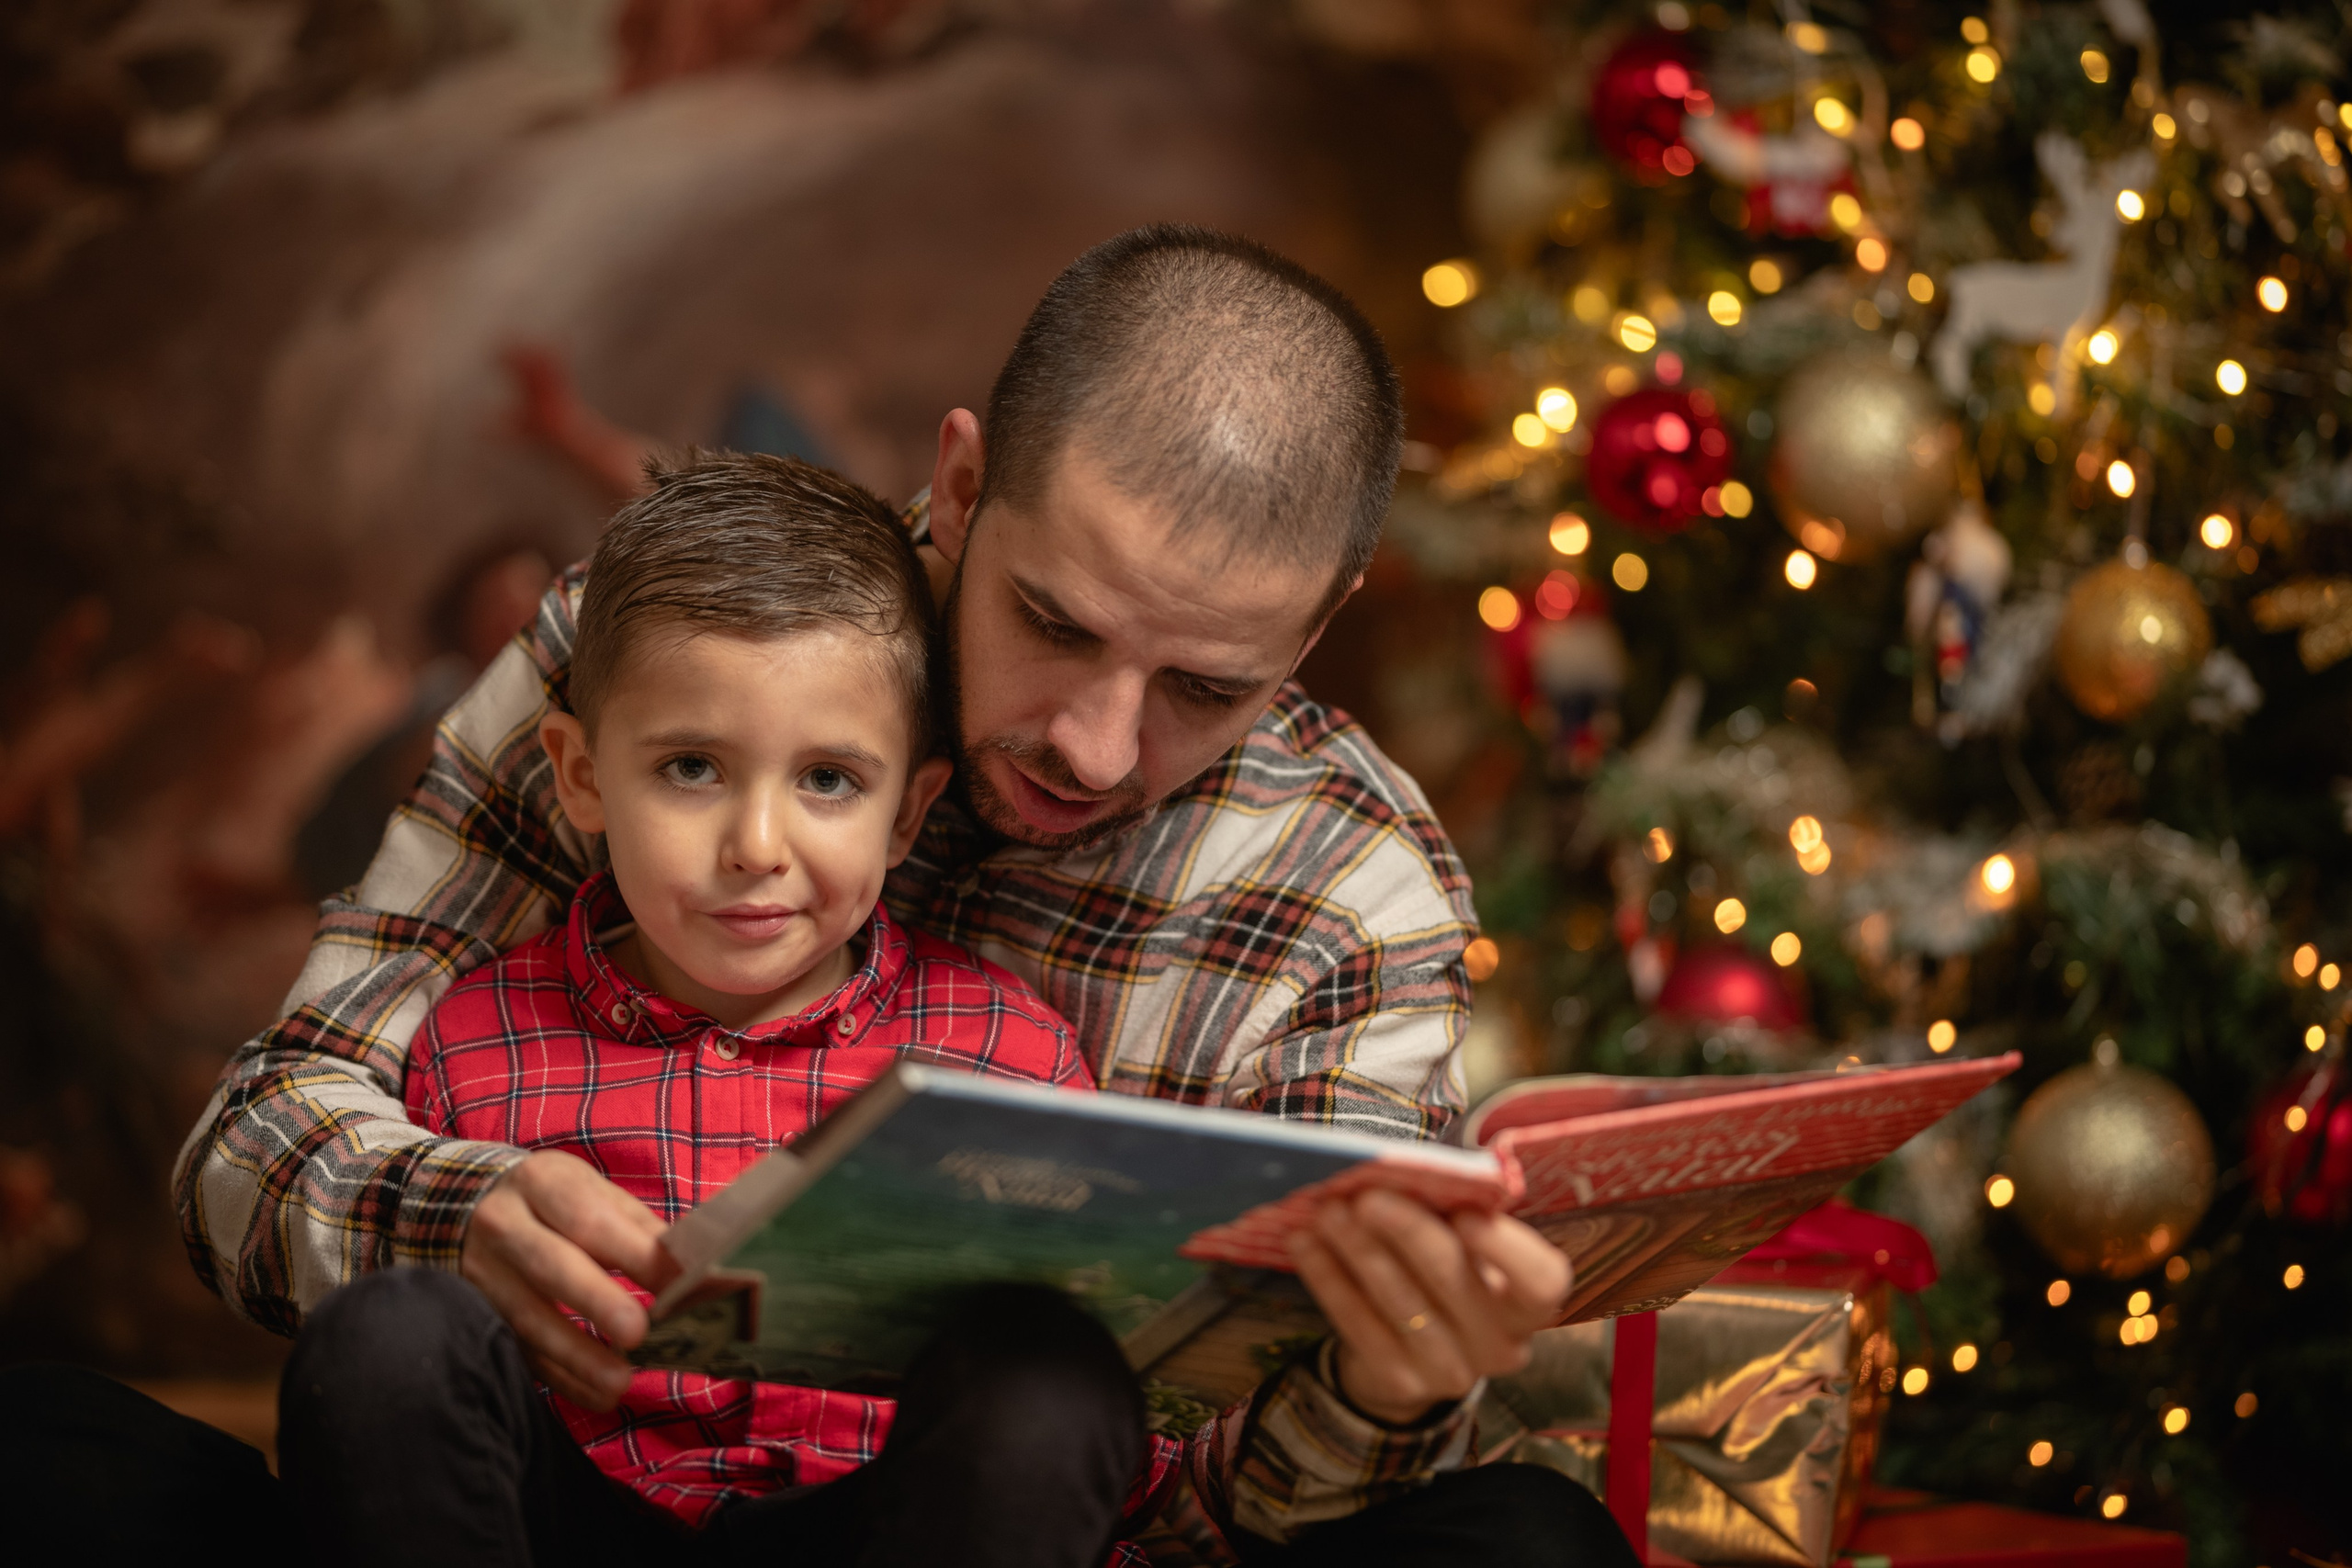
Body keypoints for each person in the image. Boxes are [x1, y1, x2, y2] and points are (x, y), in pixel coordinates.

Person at [150, 226, 1633, 1563]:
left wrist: (1380, 1385)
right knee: (62, 1459)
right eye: (1053, 621)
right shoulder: (679, 636)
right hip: (566, 1496)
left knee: (1529, 1546)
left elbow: (1231, 1515)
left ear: (1316, 626)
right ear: (965, 487)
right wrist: (453, 1218)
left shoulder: (1353, 892)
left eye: (1205, 686)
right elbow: (261, 1138)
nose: (1094, 747)